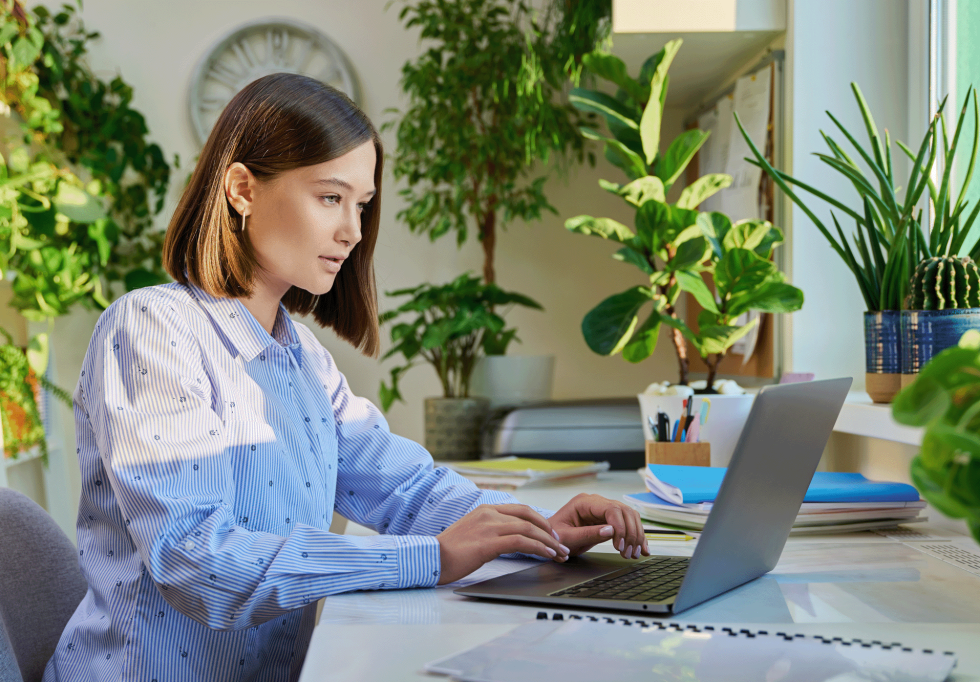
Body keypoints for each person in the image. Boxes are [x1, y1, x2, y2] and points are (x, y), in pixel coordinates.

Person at [42, 73, 648, 682]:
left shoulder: (300, 354)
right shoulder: (151, 328)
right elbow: (200, 563)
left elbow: (404, 490)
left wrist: (541, 530)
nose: (353, 232)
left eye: (361, 205)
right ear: (242, 189)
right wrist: (431, 558)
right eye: (331, 198)